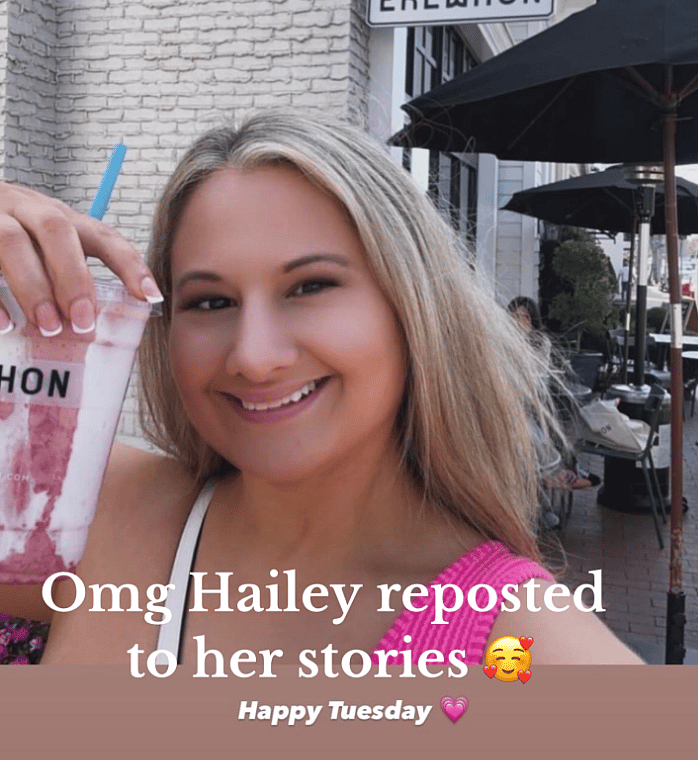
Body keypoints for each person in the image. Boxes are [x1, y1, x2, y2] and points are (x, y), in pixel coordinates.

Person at [0, 111, 640, 665]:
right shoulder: (87, 512)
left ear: (412, 305)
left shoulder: (521, 643)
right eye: (210, 301)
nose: (254, 358)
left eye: (310, 286)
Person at [507, 297, 601, 493]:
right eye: (515, 317)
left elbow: (534, 378)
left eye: (525, 317)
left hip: (531, 402)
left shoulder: (540, 343)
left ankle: (557, 476)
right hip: (510, 404)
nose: (519, 322)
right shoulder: (501, 341)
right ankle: (555, 477)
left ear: (533, 320)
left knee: (540, 430)